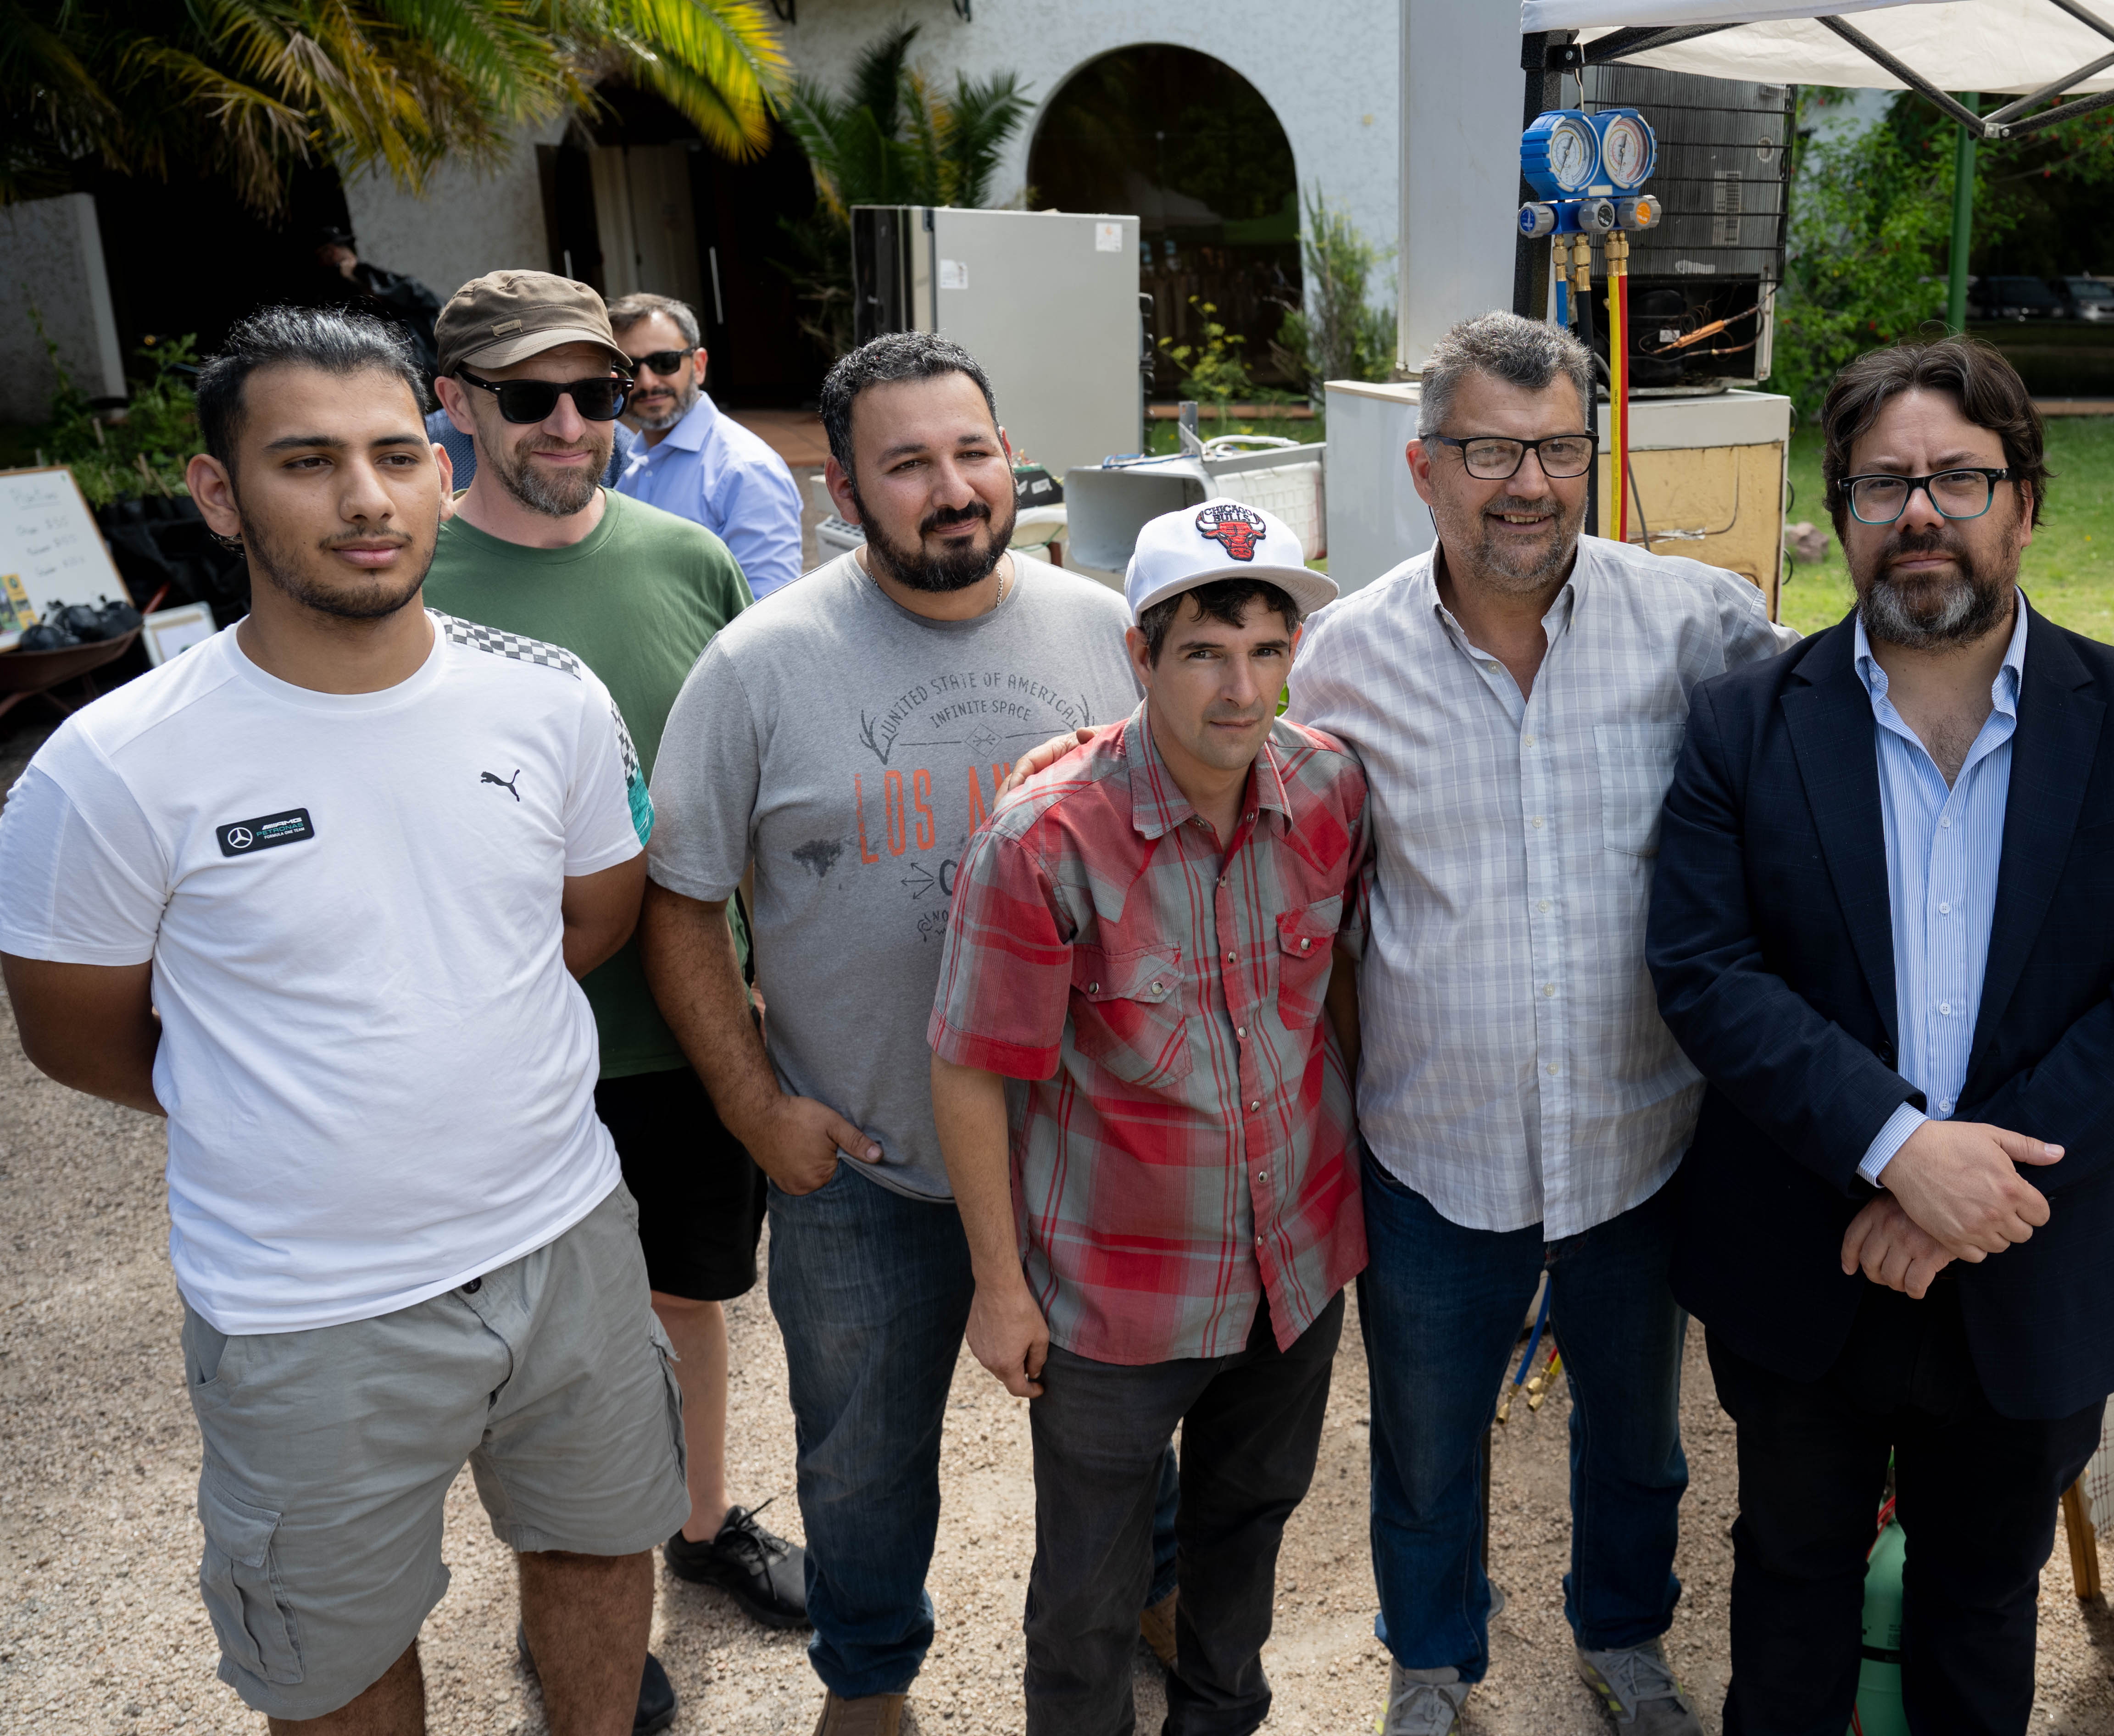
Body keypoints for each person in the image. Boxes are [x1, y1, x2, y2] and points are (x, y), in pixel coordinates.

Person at [0, 306, 683, 1735]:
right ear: (217, 491)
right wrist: (291, 1104)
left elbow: (587, 923)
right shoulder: (110, 768)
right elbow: (77, 1036)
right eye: (307, 460)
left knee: (603, 1547)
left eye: (394, 453)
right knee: (337, 1652)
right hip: (306, 1307)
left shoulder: (552, 702)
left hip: (568, 1241)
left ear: (440, 464)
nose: (366, 498)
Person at [1644, 336, 2114, 1736]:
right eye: (1882, 484)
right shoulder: (1744, 726)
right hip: (1807, 1254)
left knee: (1983, 1602)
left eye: (1959, 479)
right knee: (1789, 1585)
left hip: (2034, 1270)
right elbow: (1705, 967)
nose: (1920, 513)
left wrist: (1968, 1193)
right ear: (1841, 513)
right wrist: (1903, 1147)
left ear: (2026, 500)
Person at [1286, 312, 1791, 1735]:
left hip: (1641, 1126)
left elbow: (1835, 721)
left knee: (1637, 1434)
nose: (1531, 483)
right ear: (1424, 465)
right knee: (1428, 1438)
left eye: (1561, 447)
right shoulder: (1340, 660)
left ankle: (1623, 1634)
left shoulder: (1694, 623)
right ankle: (1434, 1660)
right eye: (1493, 449)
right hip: (1433, 1137)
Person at [641, 330, 1138, 1736]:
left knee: (1119, 1447)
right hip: (865, 1160)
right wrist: (755, 1109)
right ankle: (868, 1684)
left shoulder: (1106, 631)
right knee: (859, 1469)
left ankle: (1147, 1603)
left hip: (1085, 1161)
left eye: (972, 451)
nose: (952, 488)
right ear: (843, 491)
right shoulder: (761, 666)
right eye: (907, 463)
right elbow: (680, 903)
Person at [929, 501, 1365, 1736]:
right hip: (1117, 1298)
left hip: (1294, 1269)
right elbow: (970, 1067)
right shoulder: (1044, 840)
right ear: (1140, 655)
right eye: (1205, 652)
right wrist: (999, 1288)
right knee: (1087, 1591)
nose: (1243, 689)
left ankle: (1221, 1718)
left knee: (1248, 1535)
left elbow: (1337, 983)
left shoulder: (1331, 790)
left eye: (1268, 651)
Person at [422, 270, 808, 1639]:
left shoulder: (683, 559)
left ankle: (702, 1522)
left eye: (598, 390)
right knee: (539, 1340)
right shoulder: (408, 578)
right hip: (516, 1038)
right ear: (458, 402)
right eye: (532, 396)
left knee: (691, 1291)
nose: (575, 420)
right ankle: (579, 1615)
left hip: (686, 1021)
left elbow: (744, 786)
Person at [608, 291, 807, 599]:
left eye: (665, 362)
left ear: (699, 365)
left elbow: (770, 612)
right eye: (631, 369)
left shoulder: (746, 471)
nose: (647, 382)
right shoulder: (635, 465)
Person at [308, 223, 441, 372]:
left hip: (417, 357)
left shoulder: (365, 275)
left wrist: (352, 278)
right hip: (397, 362)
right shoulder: (330, 288)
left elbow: (395, 296)